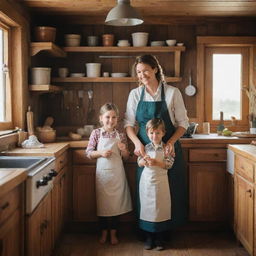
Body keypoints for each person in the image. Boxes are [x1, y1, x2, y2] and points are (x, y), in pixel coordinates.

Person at [124, 54, 189, 246]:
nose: (142, 75)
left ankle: (165, 232)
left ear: (155, 69)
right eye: (138, 72)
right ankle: (147, 232)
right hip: (145, 151)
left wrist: (170, 143)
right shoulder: (135, 94)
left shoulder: (172, 92)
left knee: (169, 191)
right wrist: (137, 143)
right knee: (147, 192)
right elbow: (129, 124)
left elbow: (183, 124)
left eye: (145, 70)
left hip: (169, 149)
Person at [86, 102, 132, 245]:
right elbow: (88, 153)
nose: (110, 120)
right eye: (107, 117)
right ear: (101, 118)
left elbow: (126, 157)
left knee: (115, 206)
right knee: (103, 206)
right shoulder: (96, 133)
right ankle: (104, 233)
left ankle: (113, 234)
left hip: (117, 175)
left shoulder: (121, 135)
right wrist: (100, 153)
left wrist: (124, 150)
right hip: (103, 177)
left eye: (113, 117)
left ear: (117, 119)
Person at [138, 118, 174, 250]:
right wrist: (144, 161)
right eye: (152, 133)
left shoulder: (167, 148)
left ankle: (159, 239)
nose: (155, 136)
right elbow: (139, 162)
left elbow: (169, 164)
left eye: (158, 133)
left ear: (163, 133)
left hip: (161, 183)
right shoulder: (145, 148)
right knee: (148, 209)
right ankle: (149, 238)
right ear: (147, 133)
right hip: (147, 183)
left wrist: (157, 163)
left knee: (160, 209)